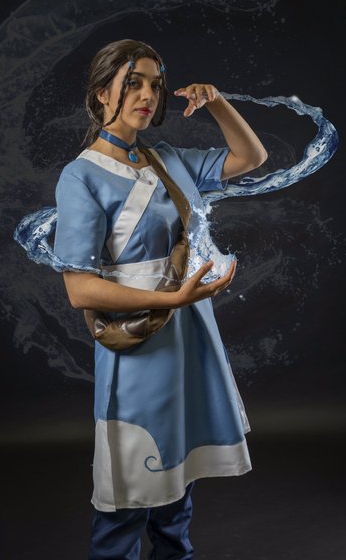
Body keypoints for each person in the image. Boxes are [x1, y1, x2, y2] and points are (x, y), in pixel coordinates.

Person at [53, 39, 268, 559]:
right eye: (133, 83)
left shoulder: (168, 159)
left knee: (177, 487)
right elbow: (80, 289)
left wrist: (217, 102)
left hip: (188, 334)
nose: (148, 95)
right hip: (139, 340)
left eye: (155, 84)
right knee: (130, 489)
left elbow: (251, 157)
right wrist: (173, 300)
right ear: (102, 93)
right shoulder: (81, 175)